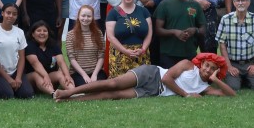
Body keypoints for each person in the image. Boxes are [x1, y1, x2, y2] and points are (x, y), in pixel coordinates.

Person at [53, 53, 236, 100]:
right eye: (206, 65)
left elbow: (231, 95)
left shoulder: (205, 88)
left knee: (115, 95)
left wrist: (215, 79)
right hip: (152, 74)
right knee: (113, 84)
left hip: (153, 91)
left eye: (212, 69)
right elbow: (166, 79)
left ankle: (71, 100)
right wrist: (187, 95)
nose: (207, 70)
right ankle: (68, 92)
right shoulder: (188, 64)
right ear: (201, 63)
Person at [154, 0, 206, 68]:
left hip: (189, 54)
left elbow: (203, 29)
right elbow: (157, 30)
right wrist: (174, 32)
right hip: (168, 54)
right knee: (168, 77)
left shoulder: (195, 6)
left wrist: (195, 30)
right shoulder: (164, 4)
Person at [0, 4, 34, 99]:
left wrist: (18, 77)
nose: (11, 16)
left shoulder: (20, 32)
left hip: (14, 71)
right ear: (2, 13)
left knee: (27, 94)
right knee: (7, 94)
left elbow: (21, 57)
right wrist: (8, 79)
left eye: (14, 14)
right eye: (8, 13)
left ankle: (10, 87)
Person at [106, 0, 152, 78]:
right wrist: (125, 51)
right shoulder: (113, 13)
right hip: (120, 54)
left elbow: (149, 33)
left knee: (142, 81)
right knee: (120, 83)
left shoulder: (144, 11)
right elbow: (110, 37)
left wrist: (143, 49)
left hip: (140, 53)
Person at [25, 19, 74, 95]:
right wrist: (45, 76)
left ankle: (74, 92)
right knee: (36, 75)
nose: (42, 33)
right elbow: (35, 63)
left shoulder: (53, 45)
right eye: (38, 31)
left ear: (48, 33)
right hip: (31, 78)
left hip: (48, 76)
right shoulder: (29, 45)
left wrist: (67, 75)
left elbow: (61, 62)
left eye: (45, 31)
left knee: (60, 74)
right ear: (33, 34)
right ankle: (54, 94)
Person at [66, 4, 107, 86]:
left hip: (95, 71)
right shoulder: (70, 34)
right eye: (83, 16)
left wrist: (95, 74)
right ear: (78, 16)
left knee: (102, 85)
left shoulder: (98, 33)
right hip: (78, 73)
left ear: (92, 18)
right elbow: (71, 58)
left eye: (89, 16)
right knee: (87, 86)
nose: (86, 18)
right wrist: (84, 75)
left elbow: (101, 56)